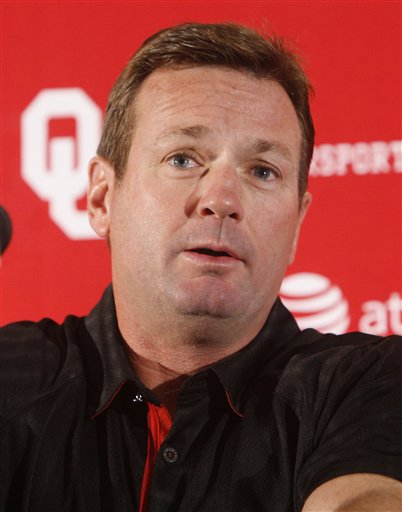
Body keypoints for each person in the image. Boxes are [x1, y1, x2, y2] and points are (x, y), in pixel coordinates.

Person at [0, 22, 401, 512]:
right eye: (183, 159)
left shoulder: (368, 385)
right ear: (103, 197)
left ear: (297, 224)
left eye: (263, 171)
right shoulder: (10, 377)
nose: (222, 199)